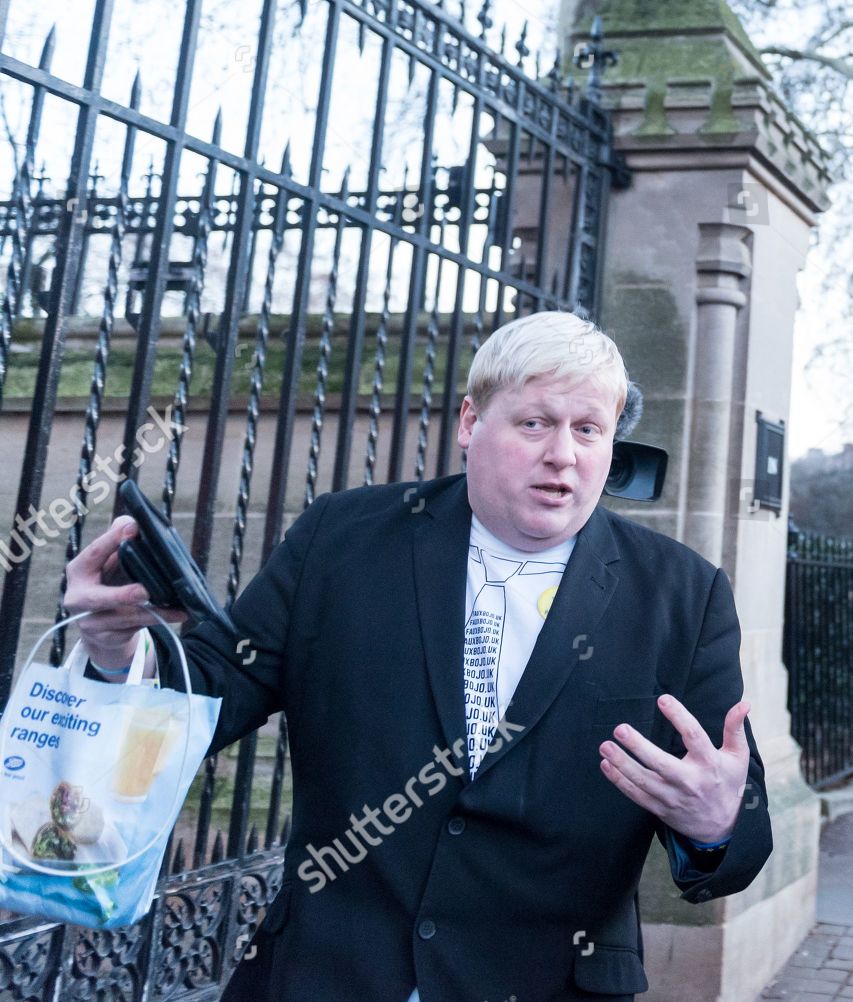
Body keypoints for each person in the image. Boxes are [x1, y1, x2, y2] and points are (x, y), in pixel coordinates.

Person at [62, 312, 772, 1001]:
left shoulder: (683, 594)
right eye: (535, 423)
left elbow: (731, 818)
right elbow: (210, 695)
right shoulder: (341, 541)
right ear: (470, 423)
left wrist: (713, 825)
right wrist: (115, 647)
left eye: (589, 430)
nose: (564, 454)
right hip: (330, 973)